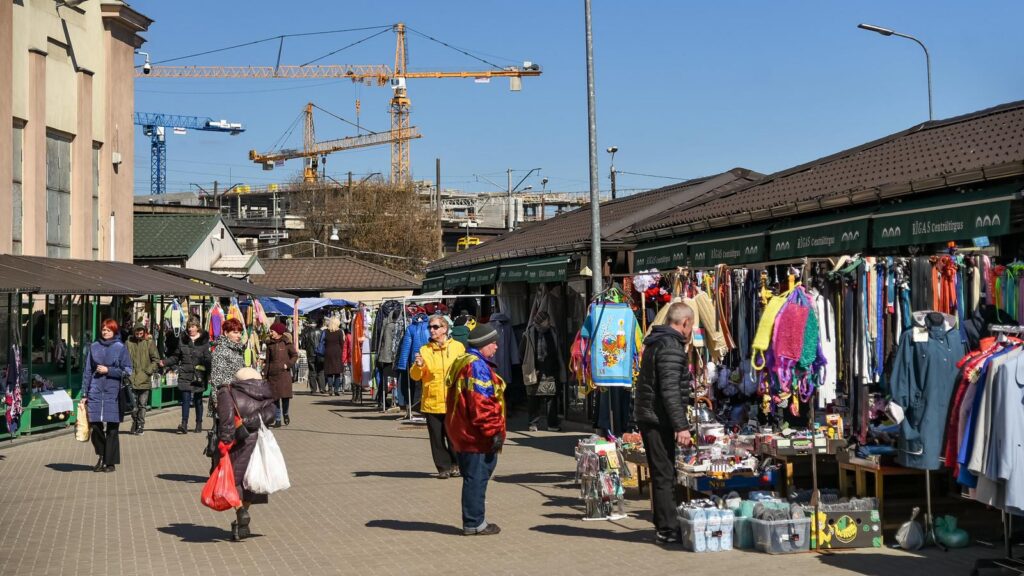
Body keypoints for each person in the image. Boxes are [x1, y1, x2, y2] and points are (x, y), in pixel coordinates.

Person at [633, 302, 695, 544]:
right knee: (664, 473)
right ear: (685, 323)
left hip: (653, 416)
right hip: (657, 419)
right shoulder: (670, 346)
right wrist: (681, 426)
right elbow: (669, 390)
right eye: (691, 326)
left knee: (663, 472)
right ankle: (668, 529)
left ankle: (665, 525)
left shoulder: (657, 341)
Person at [445, 323, 506, 536]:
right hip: (475, 435)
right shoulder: (477, 366)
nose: (496, 347)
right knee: (476, 479)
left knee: (474, 477)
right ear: (483, 345)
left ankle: (475, 520)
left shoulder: (464, 361)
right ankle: (474, 522)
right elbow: (481, 404)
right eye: (493, 343)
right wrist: (494, 431)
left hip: (463, 432)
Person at [214, 367, 277, 541]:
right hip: (258, 440)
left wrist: (225, 443)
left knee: (233, 479)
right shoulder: (265, 391)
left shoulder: (228, 392)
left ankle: (240, 511)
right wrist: (252, 422)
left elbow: (226, 420)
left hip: (237, 442)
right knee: (251, 479)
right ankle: (242, 520)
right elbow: (271, 415)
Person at [410, 313, 466, 479]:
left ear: (445, 329)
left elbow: (464, 370)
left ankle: (457, 464)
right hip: (432, 401)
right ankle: (443, 468)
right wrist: (419, 366)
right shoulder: (424, 350)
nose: (431, 330)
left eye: (435, 327)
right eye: (430, 327)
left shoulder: (458, 347)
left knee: (454, 436)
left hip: (452, 400)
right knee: (437, 438)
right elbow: (415, 376)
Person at [82, 319, 133, 472]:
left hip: (114, 393)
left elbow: (128, 370)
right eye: (103, 329)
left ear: (114, 331)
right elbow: (87, 372)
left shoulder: (120, 348)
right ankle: (102, 455)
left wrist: (109, 370)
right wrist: (85, 393)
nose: (105, 332)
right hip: (95, 392)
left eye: (108, 330)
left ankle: (109, 463)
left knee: (112, 430)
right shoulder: (94, 347)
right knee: (96, 427)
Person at [162, 318, 211, 434]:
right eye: (189, 326)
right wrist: (165, 362)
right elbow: (176, 356)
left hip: (199, 375)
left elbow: (208, 359)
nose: (190, 329)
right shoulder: (182, 340)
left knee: (198, 400)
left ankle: (199, 423)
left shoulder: (204, 342)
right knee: (185, 399)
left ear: (197, 327)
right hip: (185, 373)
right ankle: (184, 424)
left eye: (193, 326)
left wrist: (208, 374)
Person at [522, 310, 565, 432]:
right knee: (533, 398)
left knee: (551, 396)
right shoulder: (529, 333)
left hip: (550, 368)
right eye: (546, 321)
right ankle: (533, 423)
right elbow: (522, 351)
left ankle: (552, 424)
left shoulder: (553, 332)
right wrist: (528, 364)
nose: (548, 323)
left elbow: (558, 348)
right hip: (534, 368)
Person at [125, 324, 160, 436]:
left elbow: (156, 360)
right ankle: (135, 421)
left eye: (141, 333)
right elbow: (124, 358)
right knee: (133, 405)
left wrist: (148, 371)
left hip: (144, 378)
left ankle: (140, 425)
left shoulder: (149, 343)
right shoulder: (128, 343)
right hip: (132, 378)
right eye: (137, 333)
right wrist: (127, 372)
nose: (139, 335)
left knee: (142, 404)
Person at [265, 321, 297, 427]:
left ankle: (286, 414)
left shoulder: (287, 343)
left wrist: (287, 365)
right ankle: (278, 419)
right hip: (272, 376)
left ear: (278, 331)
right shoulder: (269, 344)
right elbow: (268, 361)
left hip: (284, 375)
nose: (271, 333)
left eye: (272, 331)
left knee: (285, 398)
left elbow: (294, 356)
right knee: (275, 399)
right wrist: (265, 375)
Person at [210, 318, 247, 396]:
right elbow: (216, 379)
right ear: (226, 333)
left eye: (240, 333)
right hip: (226, 396)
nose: (239, 336)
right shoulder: (220, 350)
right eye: (235, 333)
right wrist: (217, 401)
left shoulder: (237, 349)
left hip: (238, 395)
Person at [322, 317, 346, 396]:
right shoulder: (339, 332)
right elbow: (342, 343)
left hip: (328, 352)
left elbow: (324, 342)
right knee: (337, 372)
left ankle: (330, 389)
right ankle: (336, 389)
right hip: (337, 352)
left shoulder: (326, 331)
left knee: (329, 372)